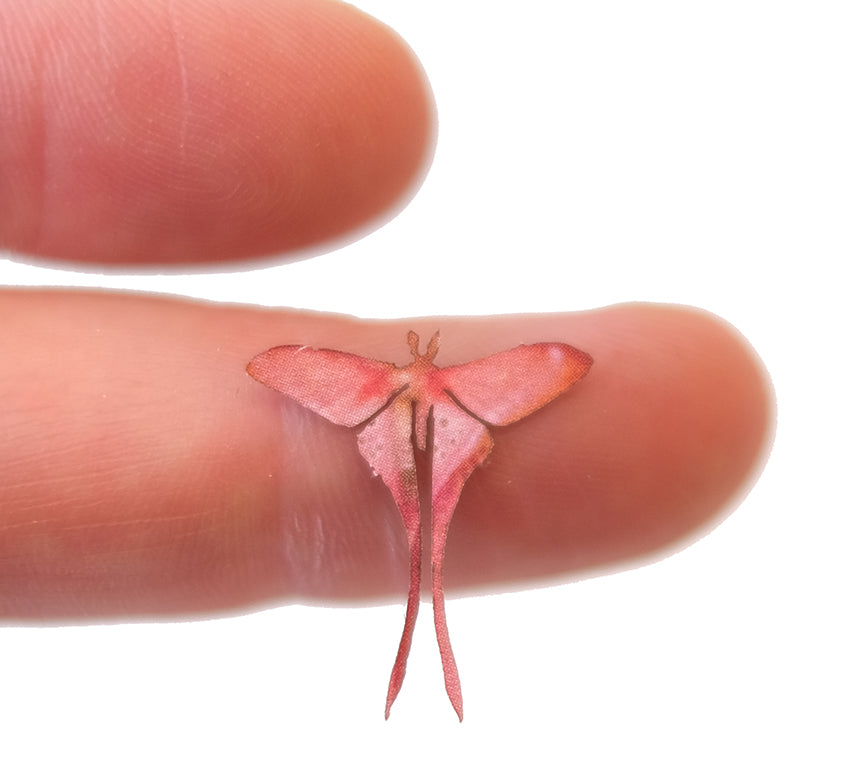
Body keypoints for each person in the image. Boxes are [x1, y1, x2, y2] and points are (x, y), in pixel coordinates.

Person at [0, 0, 773, 620]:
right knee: (424, 548)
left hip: (406, 423)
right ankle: (424, 630)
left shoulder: (401, 383)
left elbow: (555, 366)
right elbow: (281, 369)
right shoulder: (424, 381)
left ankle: (422, 630)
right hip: (423, 423)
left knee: (423, 546)